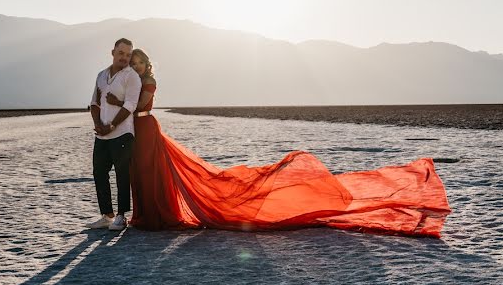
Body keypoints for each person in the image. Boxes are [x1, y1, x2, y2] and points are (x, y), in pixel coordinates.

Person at [100, 48, 451, 236]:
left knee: (157, 174)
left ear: (148, 64)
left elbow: (141, 106)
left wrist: (115, 104)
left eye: (141, 61)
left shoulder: (146, 82)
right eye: (134, 61)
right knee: (139, 174)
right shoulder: (126, 78)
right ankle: (142, 217)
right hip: (137, 132)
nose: (137, 65)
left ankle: (155, 218)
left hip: (147, 129)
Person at [86, 38, 142, 230]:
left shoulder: (131, 77)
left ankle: (121, 216)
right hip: (101, 133)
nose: (124, 58)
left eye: (128, 54)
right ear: (113, 52)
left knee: (122, 174)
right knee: (99, 172)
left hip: (123, 133)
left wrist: (111, 126)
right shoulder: (101, 75)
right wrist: (98, 124)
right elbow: (94, 103)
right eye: (121, 53)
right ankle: (106, 215)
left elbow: (130, 105)